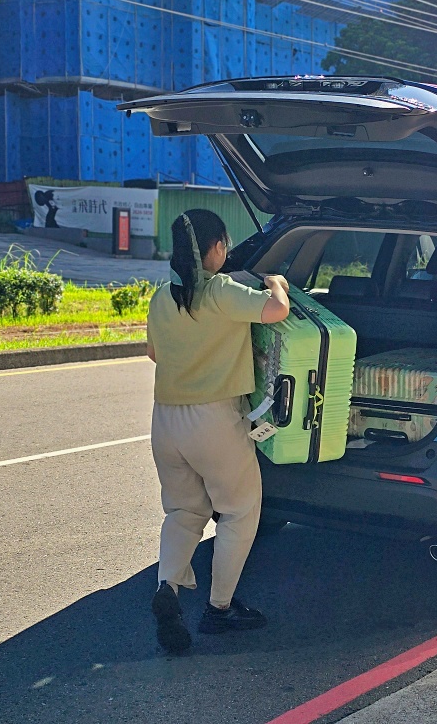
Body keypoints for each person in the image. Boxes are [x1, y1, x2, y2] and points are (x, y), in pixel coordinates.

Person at [146, 209, 290, 654]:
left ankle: (168, 588)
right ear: (215, 249)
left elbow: (153, 353)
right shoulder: (224, 291)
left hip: (166, 420)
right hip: (213, 421)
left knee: (184, 512)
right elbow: (277, 311)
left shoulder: (160, 298)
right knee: (240, 512)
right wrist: (276, 283)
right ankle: (219, 608)